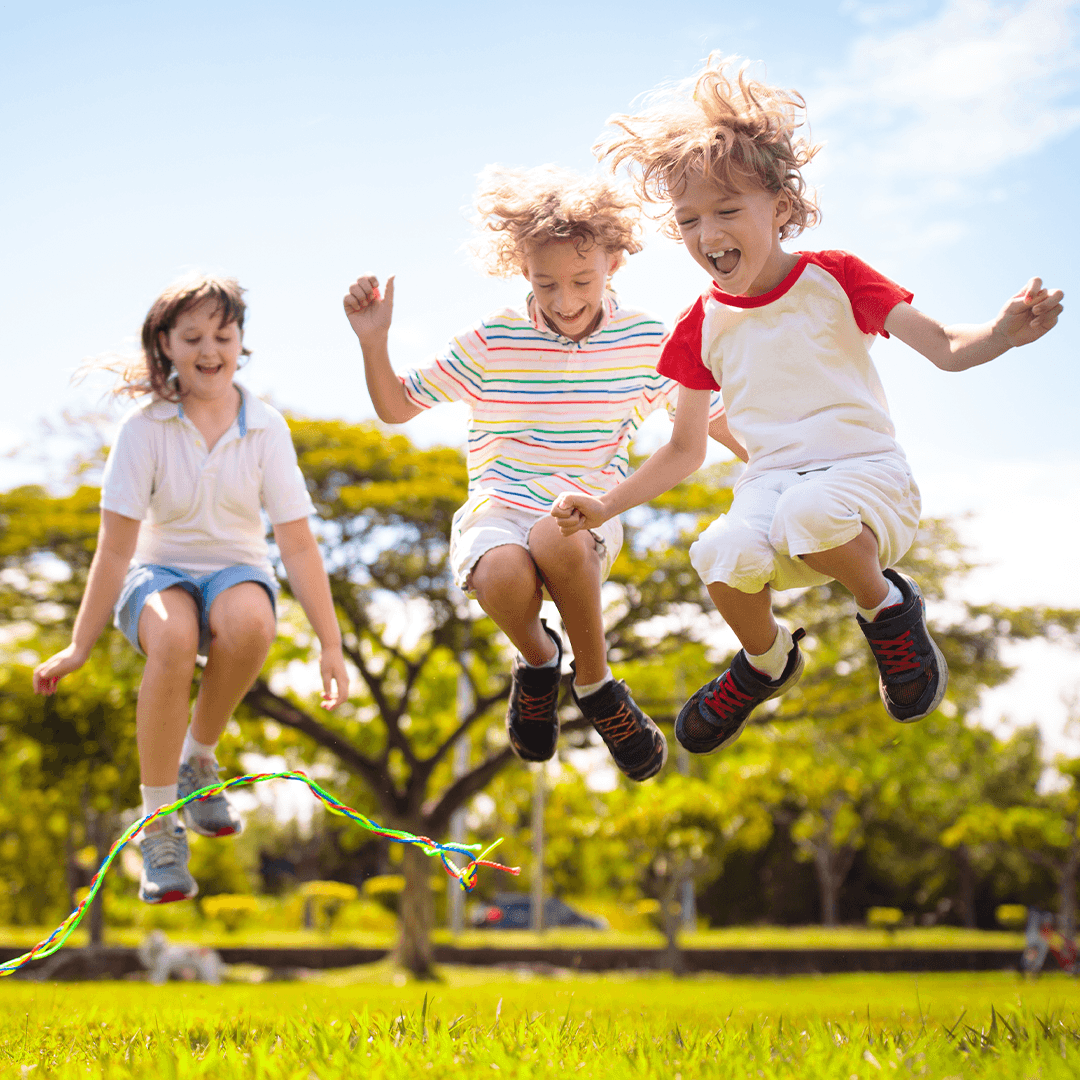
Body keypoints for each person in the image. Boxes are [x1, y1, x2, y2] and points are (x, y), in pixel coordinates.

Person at [552, 57, 1064, 754]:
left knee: (810, 510)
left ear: (782, 209)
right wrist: (604, 505)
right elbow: (684, 448)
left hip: (865, 482)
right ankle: (766, 660)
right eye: (691, 218)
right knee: (720, 550)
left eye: (728, 210)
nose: (709, 234)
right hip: (774, 493)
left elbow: (943, 344)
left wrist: (1002, 334)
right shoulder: (698, 326)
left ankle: (888, 610)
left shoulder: (835, 277)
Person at [343, 165, 740, 782]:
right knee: (501, 569)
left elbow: (711, 424)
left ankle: (596, 683)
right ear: (521, 271)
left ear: (615, 261)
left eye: (582, 279)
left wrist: (788, 463)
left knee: (554, 535)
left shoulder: (647, 341)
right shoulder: (492, 340)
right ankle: (537, 661)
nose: (564, 300)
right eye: (544, 282)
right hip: (499, 505)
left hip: (587, 510)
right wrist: (374, 341)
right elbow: (397, 408)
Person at [33, 273, 349, 902]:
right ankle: (158, 828)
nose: (211, 350)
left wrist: (330, 645)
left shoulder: (265, 429)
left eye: (223, 335)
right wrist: (79, 647)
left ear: (241, 343)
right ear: (166, 346)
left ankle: (197, 759)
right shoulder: (144, 428)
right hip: (158, 572)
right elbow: (117, 547)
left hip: (237, 568)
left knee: (253, 623)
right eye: (194, 336)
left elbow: (296, 544)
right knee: (174, 636)